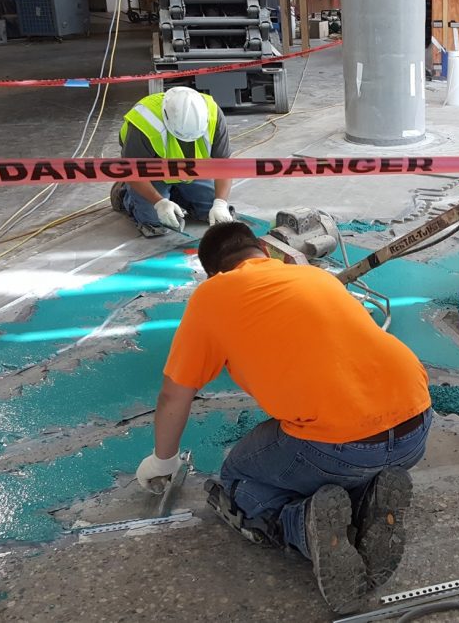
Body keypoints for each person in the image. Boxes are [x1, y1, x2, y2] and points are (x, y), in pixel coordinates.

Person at [135, 222, 433, 613]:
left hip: (341, 446)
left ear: (213, 271)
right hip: (417, 424)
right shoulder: (315, 276)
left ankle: (306, 529)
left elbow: (175, 392)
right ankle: (366, 505)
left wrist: (163, 460)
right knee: (325, 451)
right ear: (263, 248)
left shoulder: (213, 295)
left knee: (239, 479)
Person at [110, 86, 235, 237]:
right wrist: (159, 202)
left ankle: (175, 194)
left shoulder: (213, 115)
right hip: (150, 173)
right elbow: (132, 172)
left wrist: (220, 203)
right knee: (154, 221)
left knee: (215, 212)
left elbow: (224, 165)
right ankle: (124, 193)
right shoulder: (144, 123)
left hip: (193, 170)